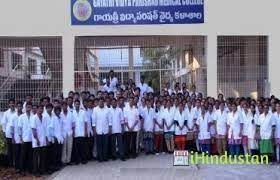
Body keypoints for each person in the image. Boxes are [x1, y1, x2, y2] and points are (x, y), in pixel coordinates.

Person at [30, 105, 48, 176]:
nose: (41, 110)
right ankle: (35, 171)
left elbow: (45, 129)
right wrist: (37, 139)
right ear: (37, 109)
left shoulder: (44, 118)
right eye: (40, 108)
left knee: (43, 156)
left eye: (42, 109)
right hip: (36, 140)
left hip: (43, 140)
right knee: (36, 157)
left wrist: (46, 139)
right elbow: (33, 130)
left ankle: (42, 170)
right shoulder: (33, 118)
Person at [18, 102, 33, 175]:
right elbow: (19, 129)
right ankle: (22, 170)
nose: (28, 108)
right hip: (24, 139)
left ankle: (29, 169)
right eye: (27, 107)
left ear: (31, 108)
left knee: (30, 155)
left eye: (30, 107)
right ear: (25, 107)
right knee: (23, 155)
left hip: (31, 139)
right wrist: (21, 139)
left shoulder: (33, 116)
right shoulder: (21, 117)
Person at [1, 98, 17, 167]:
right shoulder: (6, 113)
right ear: (9, 104)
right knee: (10, 150)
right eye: (10, 103)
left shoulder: (18, 112)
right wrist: (4, 132)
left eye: (13, 103)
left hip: (16, 135)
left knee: (16, 150)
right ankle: (10, 165)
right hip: (8, 134)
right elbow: (4, 123)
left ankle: (16, 164)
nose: (12, 104)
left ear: (14, 104)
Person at [72, 99, 88, 165]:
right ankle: (77, 160)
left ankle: (83, 159)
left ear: (79, 105)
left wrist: (85, 131)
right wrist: (73, 132)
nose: (77, 105)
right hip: (76, 133)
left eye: (78, 104)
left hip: (82, 132)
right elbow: (72, 123)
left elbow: (85, 122)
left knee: (83, 147)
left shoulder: (83, 112)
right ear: (74, 105)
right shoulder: (72, 112)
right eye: (76, 104)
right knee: (76, 148)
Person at [10, 101, 23, 173]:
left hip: (23, 138)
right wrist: (12, 138)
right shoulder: (13, 116)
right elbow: (12, 128)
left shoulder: (24, 115)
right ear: (16, 107)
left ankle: (22, 167)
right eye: (18, 106)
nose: (19, 107)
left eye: (20, 106)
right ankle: (17, 167)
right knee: (16, 153)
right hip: (15, 138)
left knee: (22, 154)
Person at [61, 101, 74, 165]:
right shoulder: (60, 114)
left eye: (65, 106)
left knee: (70, 147)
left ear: (67, 106)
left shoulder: (70, 113)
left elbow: (73, 123)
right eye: (63, 106)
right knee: (64, 148)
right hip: (63, 133)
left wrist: (73, 132)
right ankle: (64, 161)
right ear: (62, 107)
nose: (64, 107)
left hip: (70, 132)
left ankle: (68, 160)